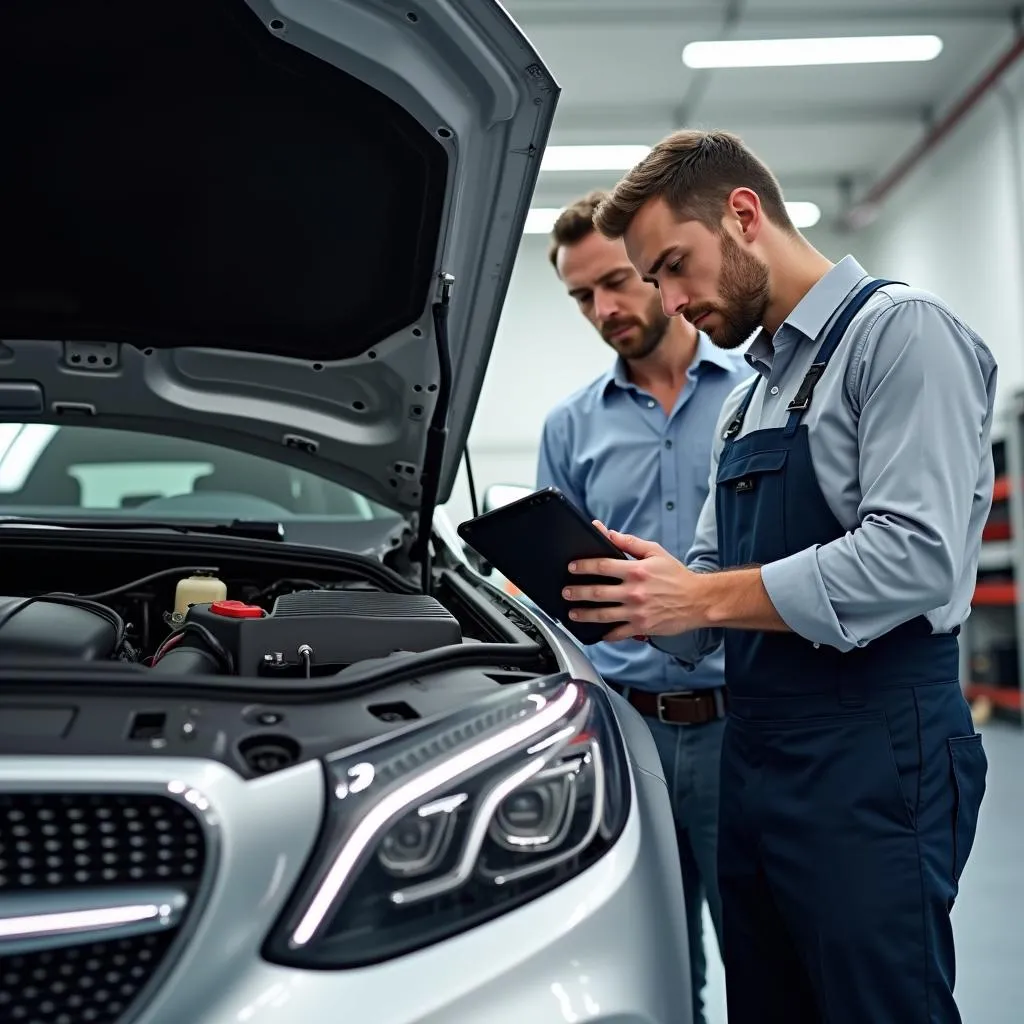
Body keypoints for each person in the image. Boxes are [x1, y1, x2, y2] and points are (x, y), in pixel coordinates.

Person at [560, 130, 994, 1024]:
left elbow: (914, 554)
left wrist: (702, 594)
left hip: (876, 750)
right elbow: (714, 586)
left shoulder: (901, 334)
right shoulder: (753, 397)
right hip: (760, 759)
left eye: (674, 267)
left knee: (881, 1006)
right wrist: (643, 596)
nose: (672, 304)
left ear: (744, 216)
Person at [537, 190, 750, 1024]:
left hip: (747, 725)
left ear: (662, 271)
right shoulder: (571, 427)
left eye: (618, 282)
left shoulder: (755, 394)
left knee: (762, 951)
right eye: (583, 296)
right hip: (628, 734)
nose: (606, 309)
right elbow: (560, 599)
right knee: (654, 965)